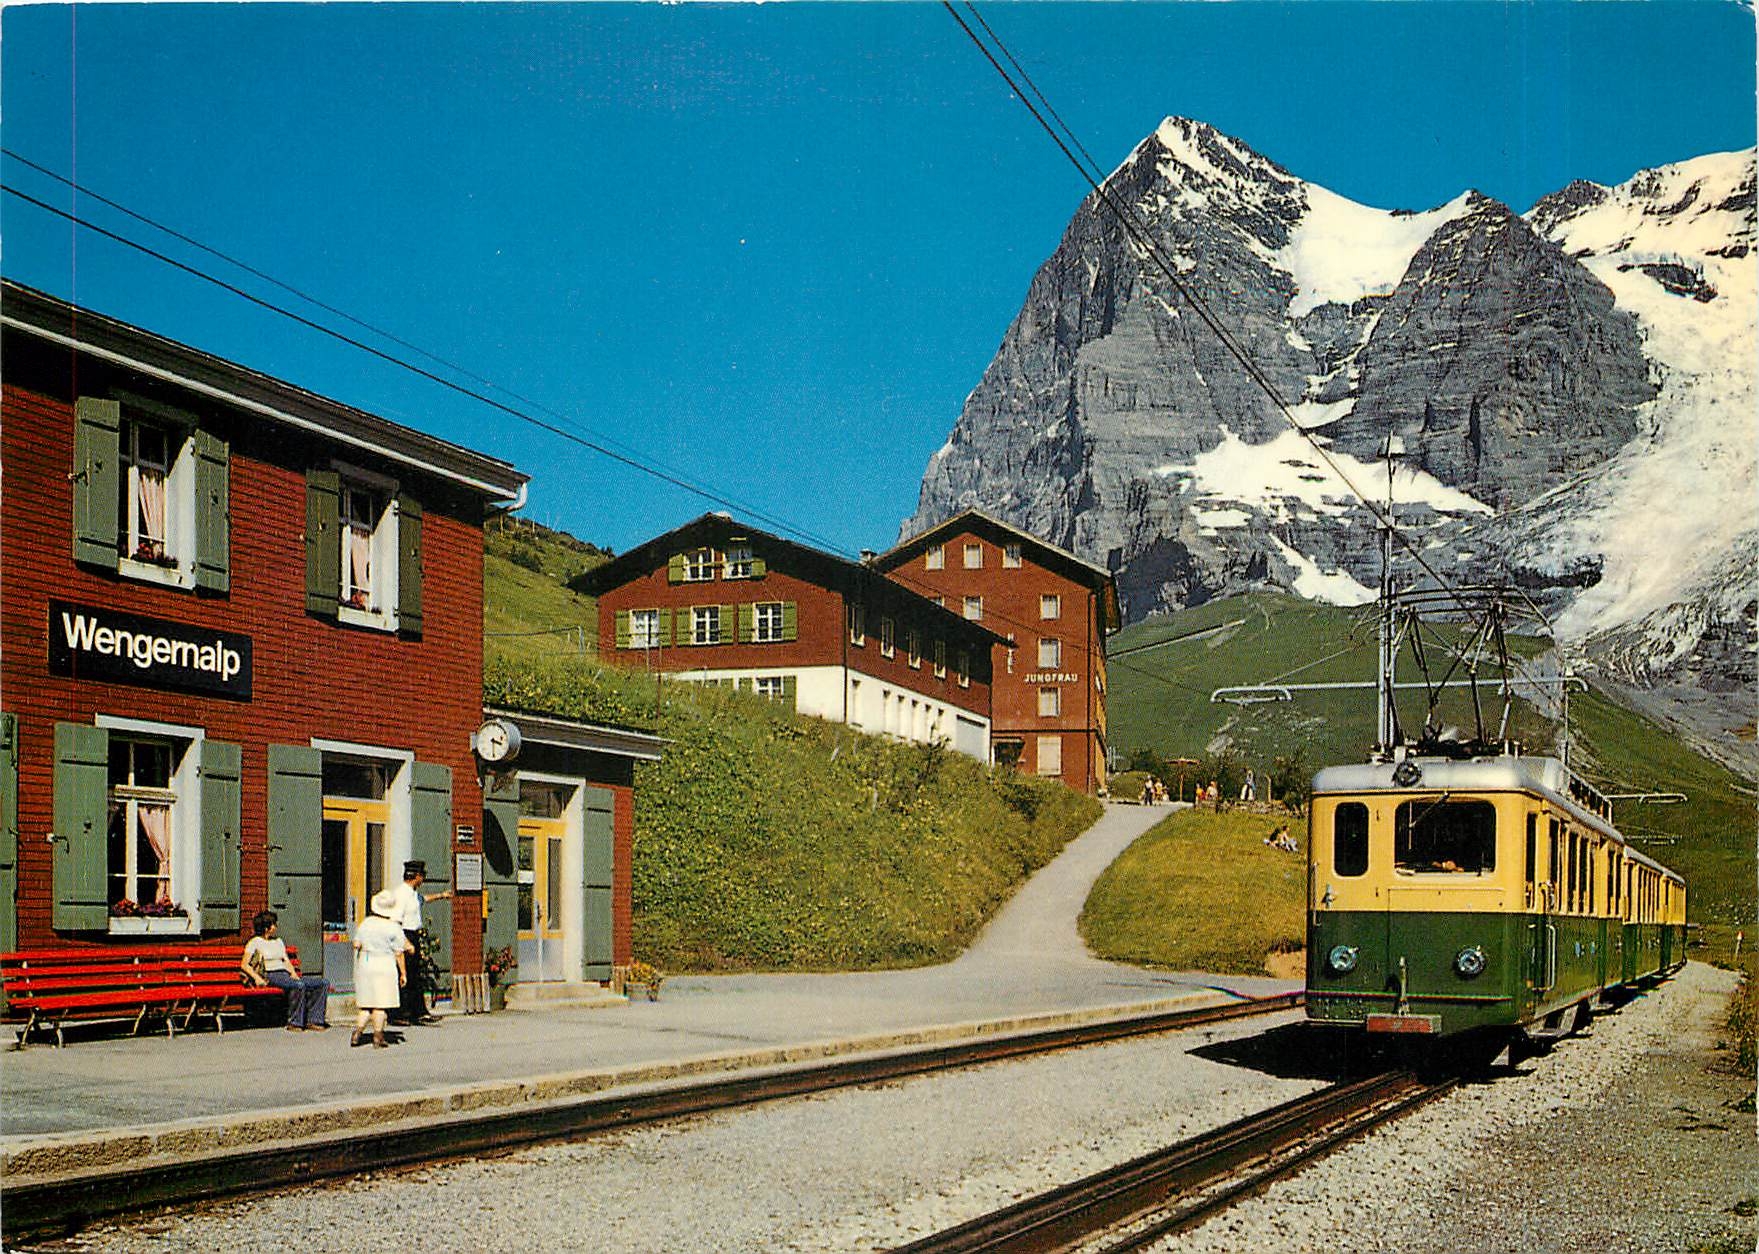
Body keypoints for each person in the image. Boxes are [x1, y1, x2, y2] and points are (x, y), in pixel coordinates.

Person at [240, 910, 329, 1031]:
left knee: (322, 983)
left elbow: (286, 960)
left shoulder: (278, 941)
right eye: (274, 924)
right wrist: (257, 978)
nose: (276, 926)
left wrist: (293, 973)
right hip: (270, 974)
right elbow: (244, 965)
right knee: (298, 986)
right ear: (267, 928)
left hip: (285, 974)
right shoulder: (254, 942)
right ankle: (294, 1022)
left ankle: (314, 1020)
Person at [392, 860, 452, 1026]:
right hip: (404, 936)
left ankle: (418, 1012)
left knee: (415, 975)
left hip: (414, 935)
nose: (423, 879)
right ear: (416, 876)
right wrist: (404, 943)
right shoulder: (400, 894)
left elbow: (423, 899)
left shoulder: (412, 893)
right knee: (404, 975)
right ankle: (400, 1013)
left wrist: (441, 896)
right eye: (422, 876)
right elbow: (396, 921)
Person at [352, 888, 410, 1048]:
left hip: (366, 962)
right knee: (380, 1004)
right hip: (384, 964)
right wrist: (403, 973)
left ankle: (357, 1032)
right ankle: (378, 1036)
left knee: (366, 1004)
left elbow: (356, 944)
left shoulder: (366, 923)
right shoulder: (393, 927)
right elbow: (399, 953)